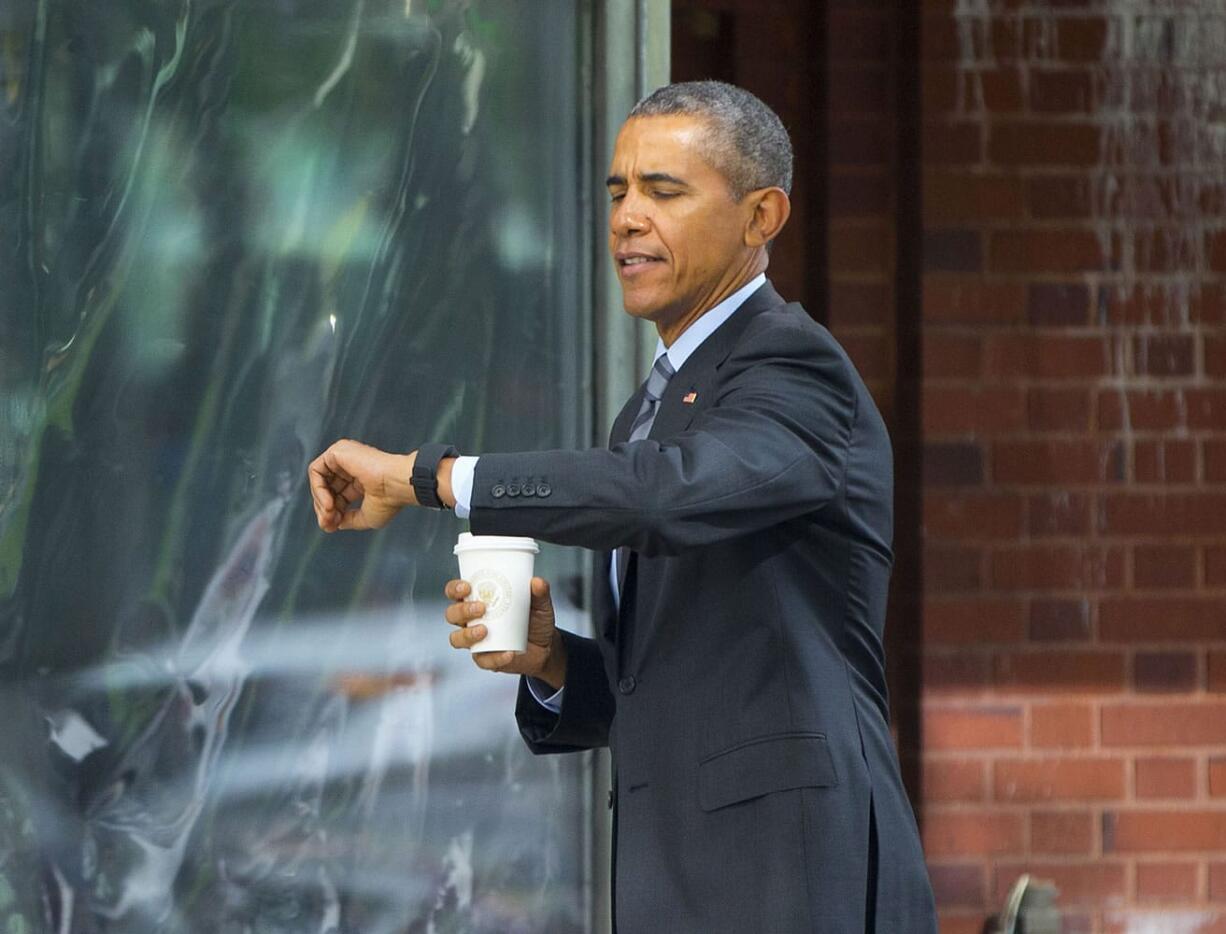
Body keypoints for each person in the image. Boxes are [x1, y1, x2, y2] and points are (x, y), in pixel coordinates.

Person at [308, 80, 937, 934]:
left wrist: (432, 477)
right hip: (678, 886)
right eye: (618, 191)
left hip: (790, 880)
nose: (627, 218)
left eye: (664, 191)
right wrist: (554, 662)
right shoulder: (658, 402)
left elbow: (663, 494)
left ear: (762, 217)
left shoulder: (795, 368)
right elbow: (668, 691)